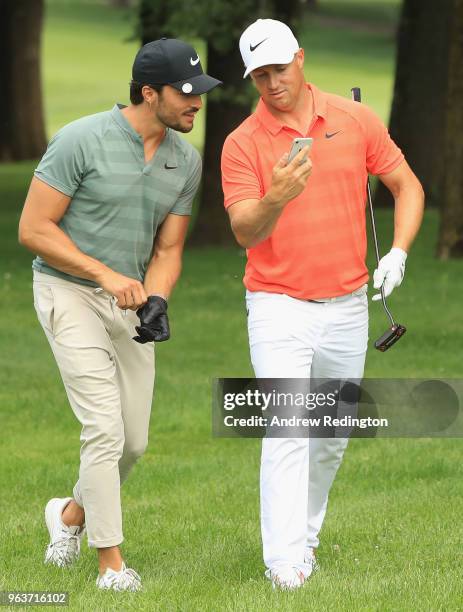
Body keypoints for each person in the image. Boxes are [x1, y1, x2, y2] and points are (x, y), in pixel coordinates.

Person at [221, 19, 424, 590]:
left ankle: (304, 540)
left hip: (347, 306)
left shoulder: (354, 118)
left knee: (330, 436)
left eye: (279, 69)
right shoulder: (242, 143)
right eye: (259, 74)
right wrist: (275, 198)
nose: (272, 82)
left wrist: (399, 253)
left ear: (301, 58)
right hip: (277, 305)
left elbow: (406, 186)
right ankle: (283, 564)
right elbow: (242, 230)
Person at [18, 38, 221, 592]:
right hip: (68, 291)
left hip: (130, 300)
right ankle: (112, 566)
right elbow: (33, 230)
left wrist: (157, 299)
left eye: (200, 93)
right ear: (148, 92)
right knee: (104, 429)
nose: (196, 103)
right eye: (186, 92)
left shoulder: (186, 161)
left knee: (133, 442)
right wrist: (105, 276)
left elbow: (169, 250)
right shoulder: (81, 139)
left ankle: (68, 519)